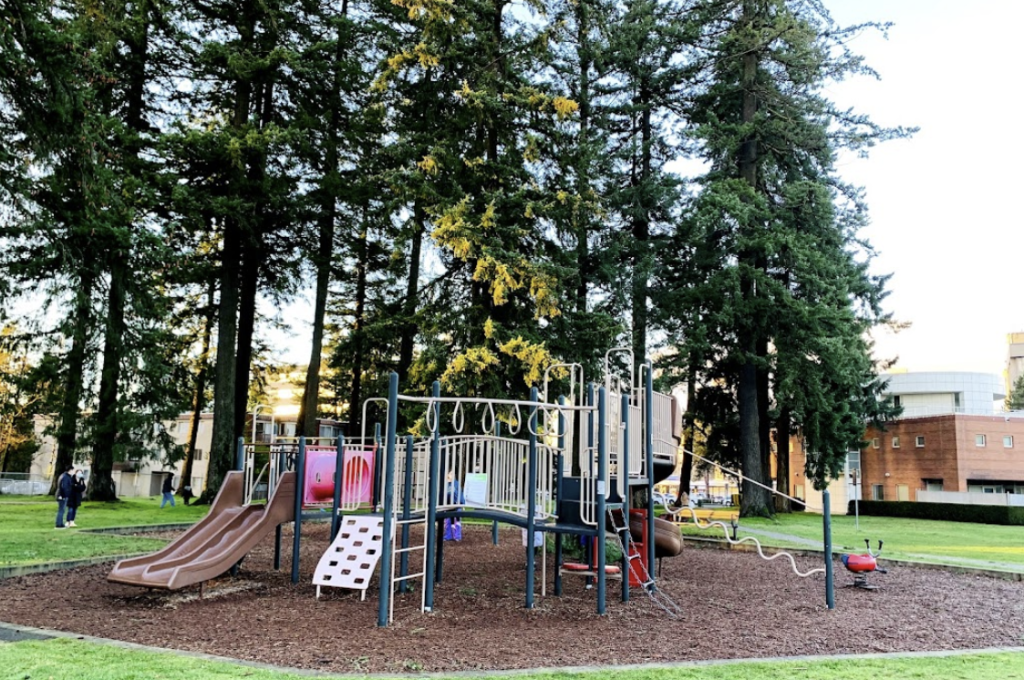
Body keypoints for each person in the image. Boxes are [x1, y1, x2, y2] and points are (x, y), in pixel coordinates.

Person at [444, 471, 464, 541]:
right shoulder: (446, 484)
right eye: (449, 474)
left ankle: (457, 536)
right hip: (448, 506)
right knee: (448, 521)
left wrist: (461, 503)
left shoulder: (455, 484)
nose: (449, 475)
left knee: (456, 521)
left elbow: (459, 494)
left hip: (456, 505)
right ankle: (448, 536)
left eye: (451, 474)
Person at [55, 464, 74, 529]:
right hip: (62, 496)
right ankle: (59, 524)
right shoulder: (66, 477)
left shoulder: (63, 476)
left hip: (61, 495)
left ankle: (60, 523)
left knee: (61, 510)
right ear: (70, 470)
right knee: (61, 510)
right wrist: (63, 495)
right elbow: (64, 487)